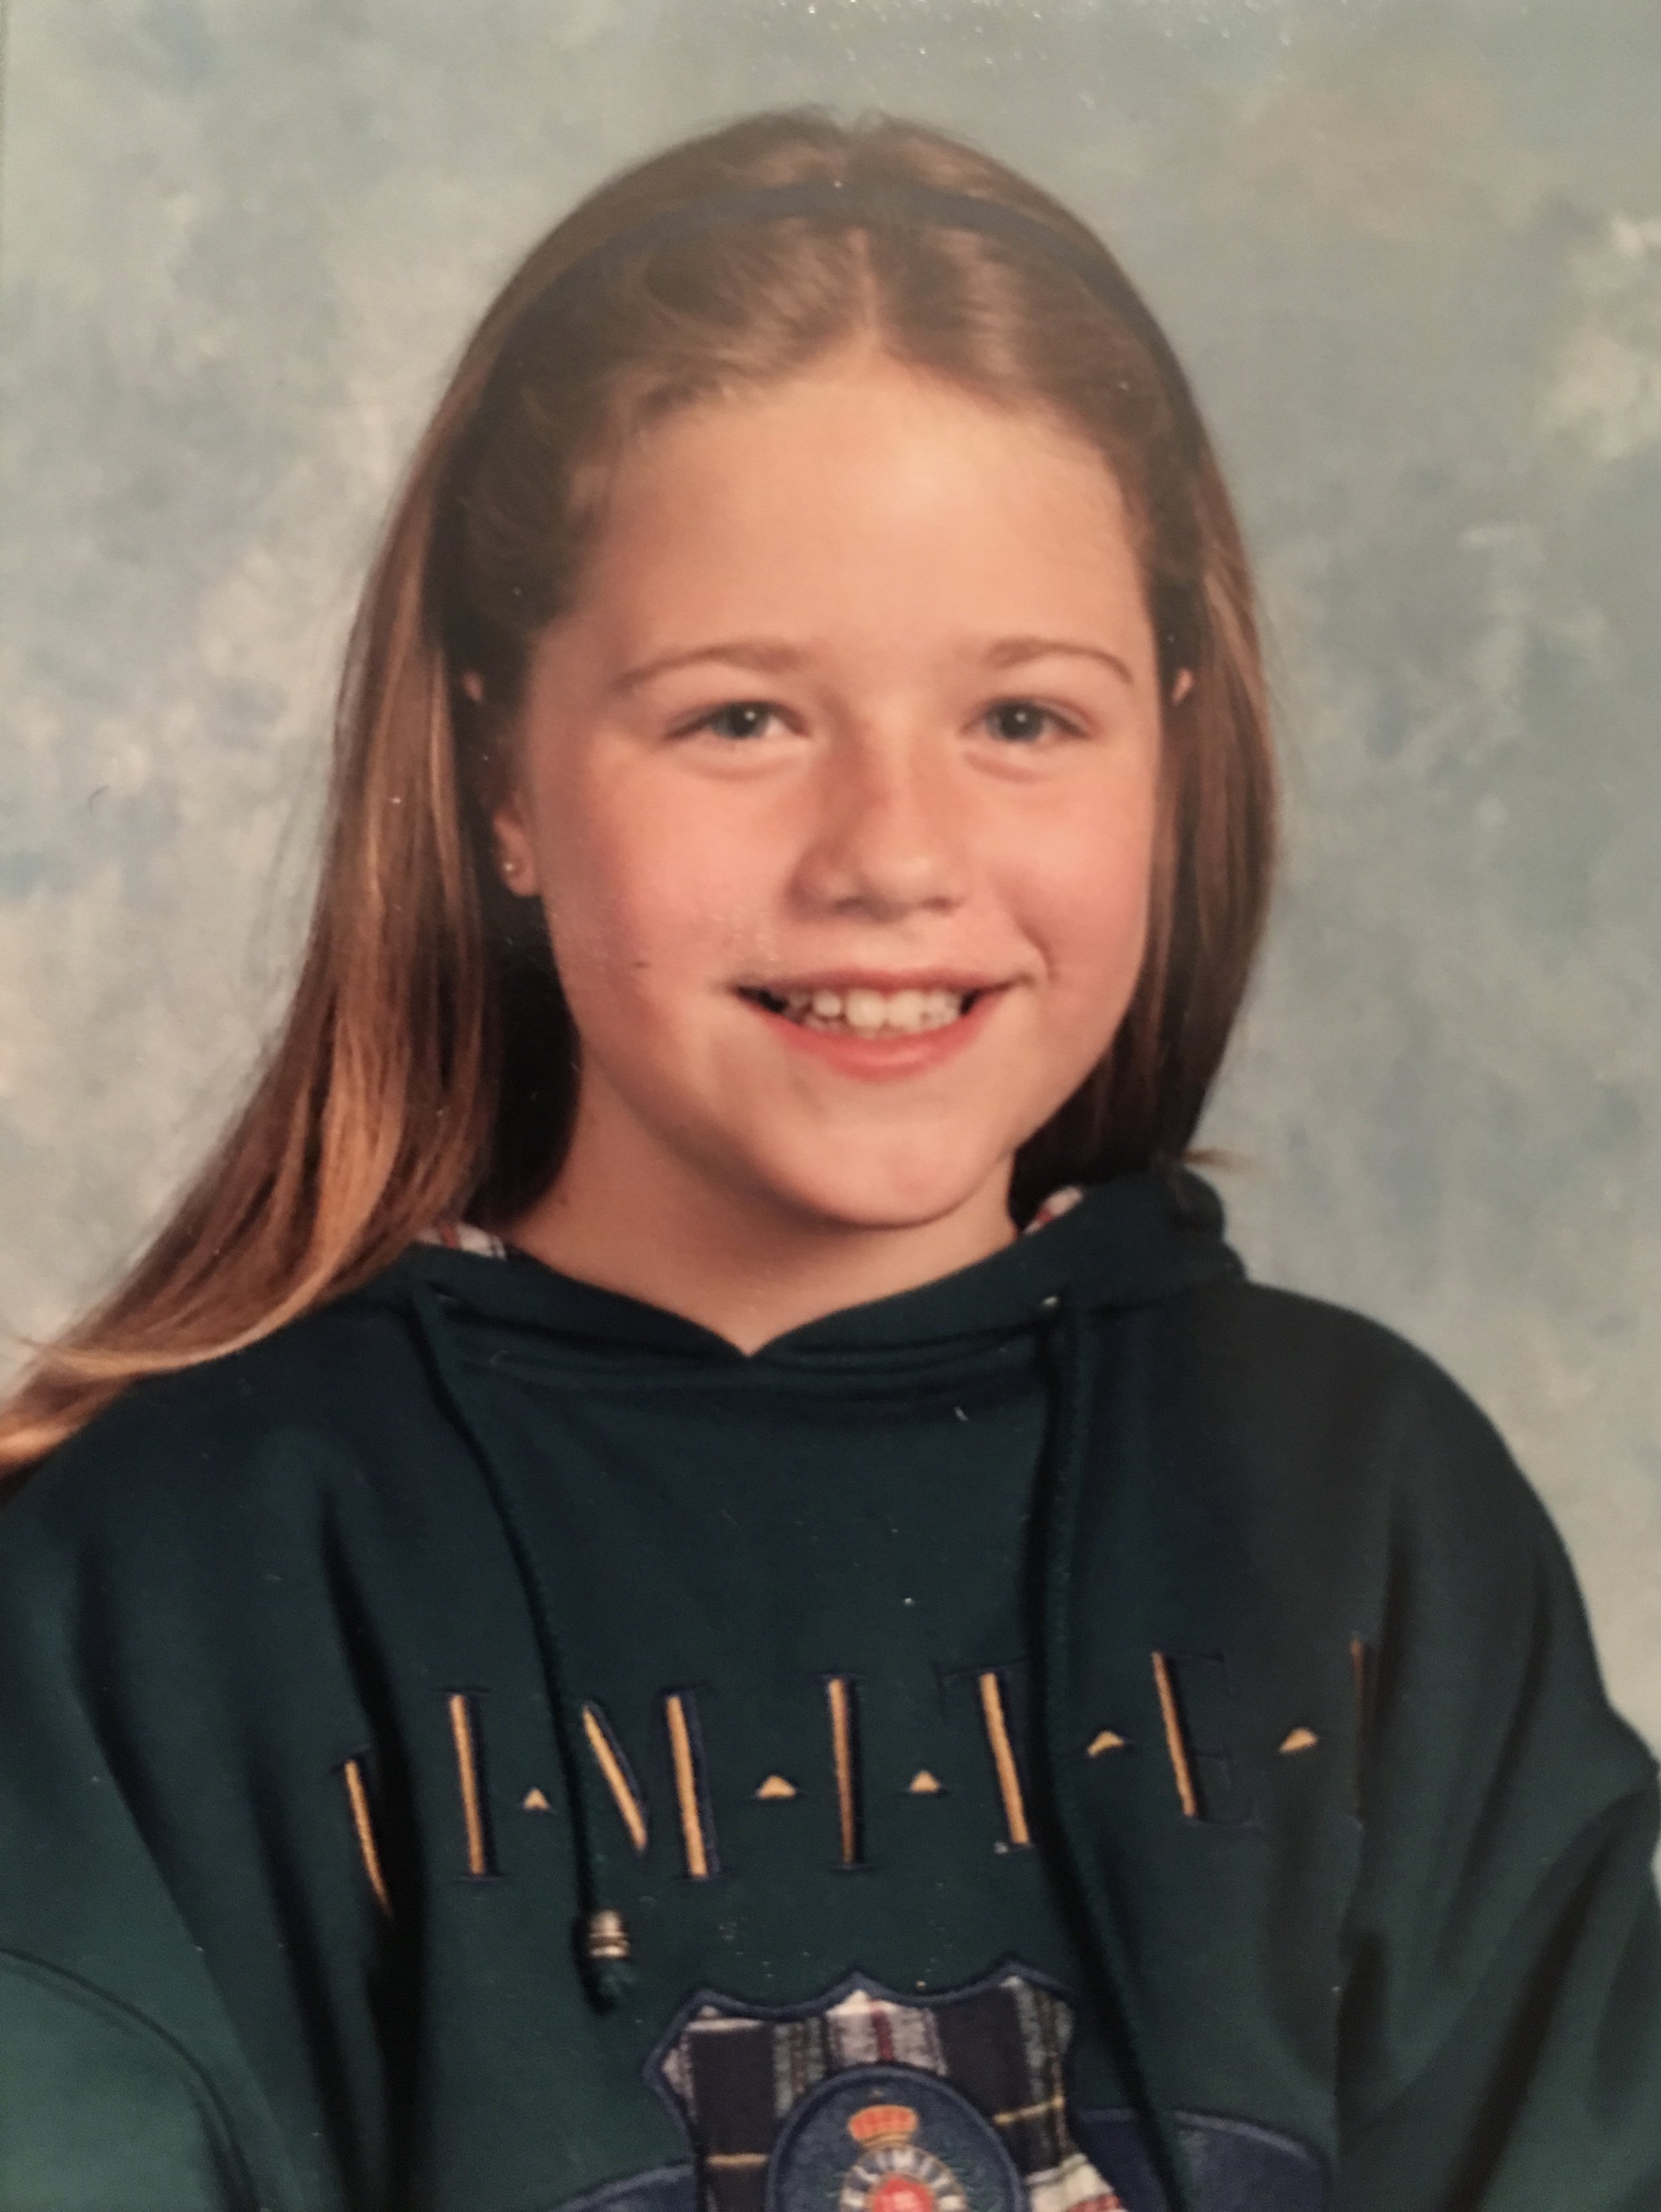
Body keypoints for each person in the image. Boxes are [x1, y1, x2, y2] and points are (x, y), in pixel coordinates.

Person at [0, 107, 1655, 2212]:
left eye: (1022, 720)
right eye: (741, 719)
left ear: (1171, 737)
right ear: (499, 769)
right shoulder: (166, 1584)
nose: (891, 854)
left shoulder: (1361, 1508)